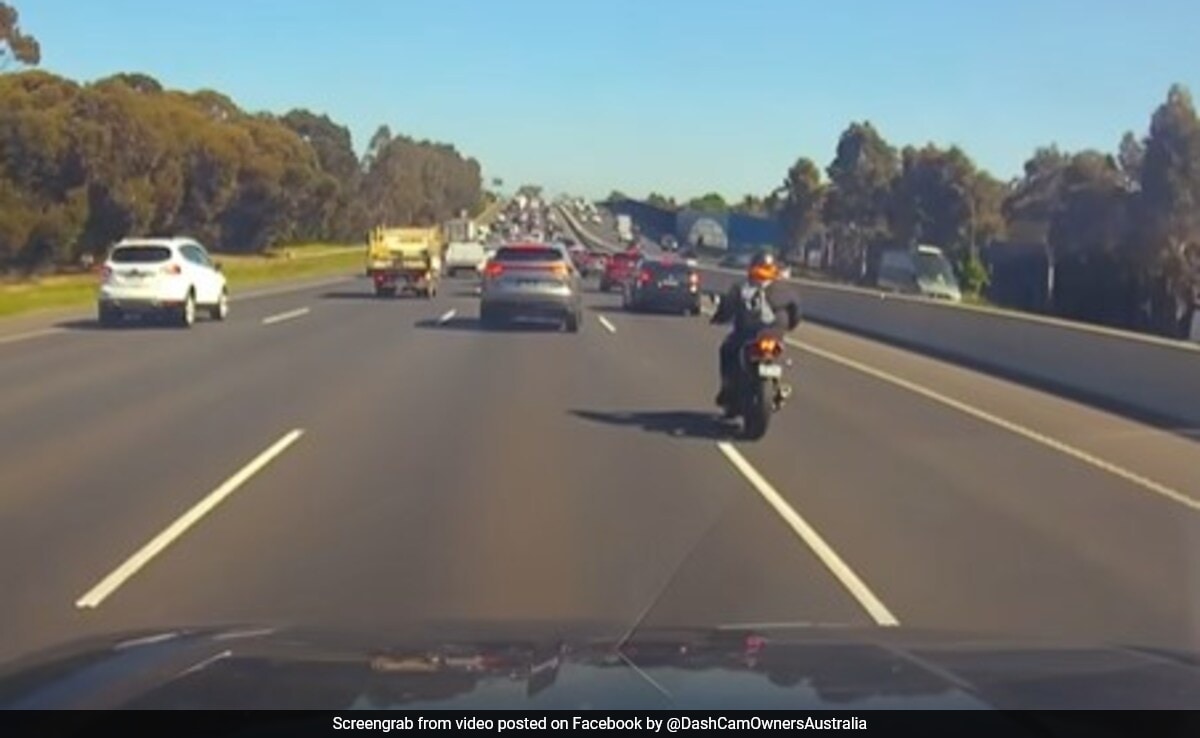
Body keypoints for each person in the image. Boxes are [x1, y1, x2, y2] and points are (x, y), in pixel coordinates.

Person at [709, 250, 801, 413]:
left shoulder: (742, 288)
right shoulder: (785, 289)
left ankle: (728, 387)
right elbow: (796, 313)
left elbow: (727, 308)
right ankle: (776, 386)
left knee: (726, 349)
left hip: (748, 335)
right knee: (778, 355)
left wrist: (718, 318)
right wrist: (788, 327)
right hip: (775, 335)